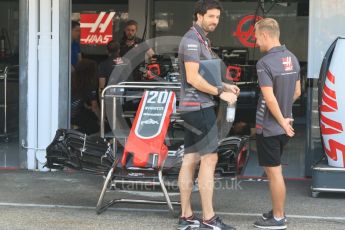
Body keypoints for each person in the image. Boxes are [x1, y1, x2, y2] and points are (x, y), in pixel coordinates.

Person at [177, 1, 240, 230]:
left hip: (193, 107)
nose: (215, 21)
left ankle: (186, 216)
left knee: (190, 159)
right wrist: (219, 93)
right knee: (209, 159)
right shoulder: (192, 40)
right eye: (211, 16)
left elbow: (205, 74)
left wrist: (225, 86)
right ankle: (209, 219)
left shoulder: (202, 39)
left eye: (217, 17)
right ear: (198, 15)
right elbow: (193, 78)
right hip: (199, 107)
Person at [253, 18, 301, 229]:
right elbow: (297, 92)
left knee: (274, 173)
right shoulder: (292, 58)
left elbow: (269, 98)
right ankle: (277, 210)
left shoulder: (264, 63)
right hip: (284, 124)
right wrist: (285, 116)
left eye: (256, 37)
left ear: (264, 34)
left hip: (271, 127)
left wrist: (280, 121)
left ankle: (279, 218)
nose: (256, 42)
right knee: (274, 171)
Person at [71, 59, 101, 135]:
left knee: (93, 117)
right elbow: (95, 107)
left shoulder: (72, 78)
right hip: (75, 113)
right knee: (94, 127)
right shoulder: (90, 83)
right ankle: (70, 135)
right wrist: (102, 119)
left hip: (67, 111)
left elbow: (77, 97)